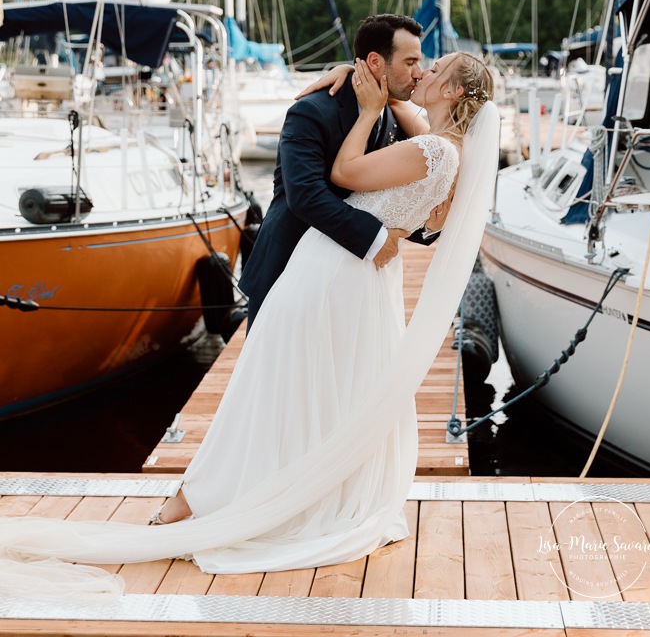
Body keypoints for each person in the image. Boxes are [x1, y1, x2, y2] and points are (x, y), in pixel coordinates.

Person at [0, 50, 499, 599]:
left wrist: (366, 111)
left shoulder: (430, 149)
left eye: (437, 71)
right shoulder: (449, 150)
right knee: (329, 387)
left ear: (453, 93)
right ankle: (271, 490)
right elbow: (426, 191)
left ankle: (210, 496)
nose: (424, 72)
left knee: (269, 378)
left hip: (331, 270)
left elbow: (343, 173)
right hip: (365, 280)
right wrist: (361, 79)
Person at [239, 13, 426, 330]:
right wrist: (376, 240)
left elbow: (401, 189)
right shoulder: (311, 111)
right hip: (287, 271)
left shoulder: (394, 116)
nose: (418, 73)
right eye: (410, 62)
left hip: (348, 281)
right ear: (375, 62)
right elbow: (305, 195)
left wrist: (429, 228)